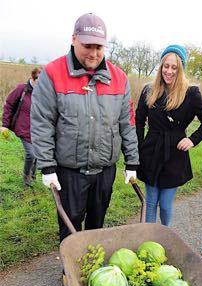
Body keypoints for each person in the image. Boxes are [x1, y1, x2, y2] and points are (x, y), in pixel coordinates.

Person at [31, 13, 139, 243]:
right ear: (74, 39)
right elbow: (42, 123)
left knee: (97, 224)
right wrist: (47, 166)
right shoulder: (53, 74)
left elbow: (127, 123)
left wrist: (132, 162)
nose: (93, 53)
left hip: (104, 170)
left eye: (99, 47)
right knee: (70, 224)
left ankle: (92, 266)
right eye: (87, 45)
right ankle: (70, 272)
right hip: (70, 171)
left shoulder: (118, 78)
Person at [135, 44, 202, 226]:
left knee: (165, 205)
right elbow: (139, 121)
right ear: (161, 66)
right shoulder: (149, 90)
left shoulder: (191, 93)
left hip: (174, 155)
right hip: (151, 152)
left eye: (174, 67)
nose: (169, 71)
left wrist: (192, 140)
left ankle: (165, 237)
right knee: (151, 202)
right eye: (166, 66)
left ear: (181, 69)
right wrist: (139, 148)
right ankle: (147, 240)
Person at [1, 67, 42, 186]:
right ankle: (26, 177)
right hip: (23, 128)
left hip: (38, 129)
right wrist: (5, 125)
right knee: (31, 153)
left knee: (38, 154)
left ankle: (33, 176)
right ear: (33, 79)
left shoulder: (44, 92)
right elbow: (8, 105)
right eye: (39, 82)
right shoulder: (22, 89)